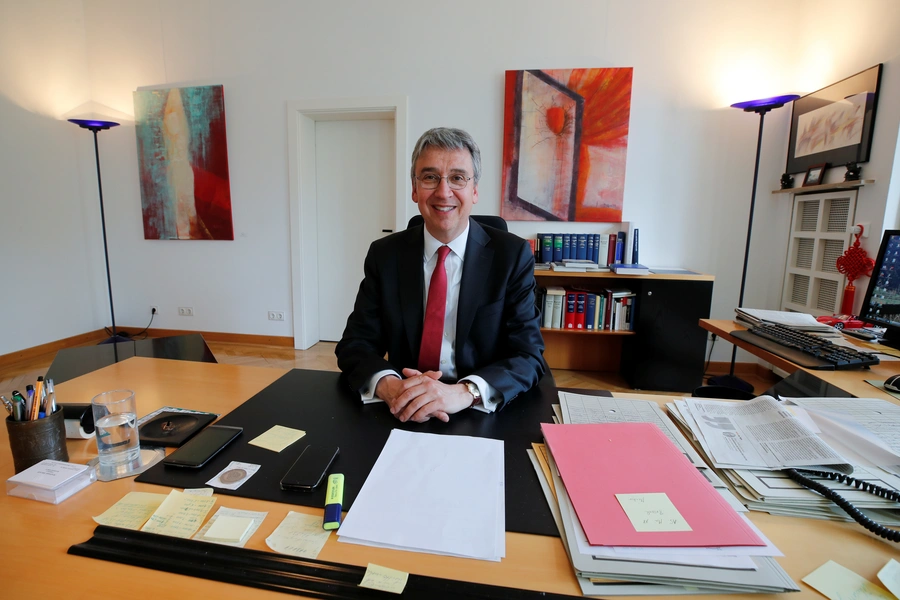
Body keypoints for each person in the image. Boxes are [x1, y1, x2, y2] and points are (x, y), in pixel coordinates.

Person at [335, 127, 545, 423]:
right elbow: (355, 344)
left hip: (478, 408)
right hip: (401, 408)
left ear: (474, 190)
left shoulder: (512, 256)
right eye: (430, 177)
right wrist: (391, 388)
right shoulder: (385, 255)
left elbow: (529, 356)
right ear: (414, 189)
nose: (443, 192)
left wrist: (463, 392)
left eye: (458, 178)